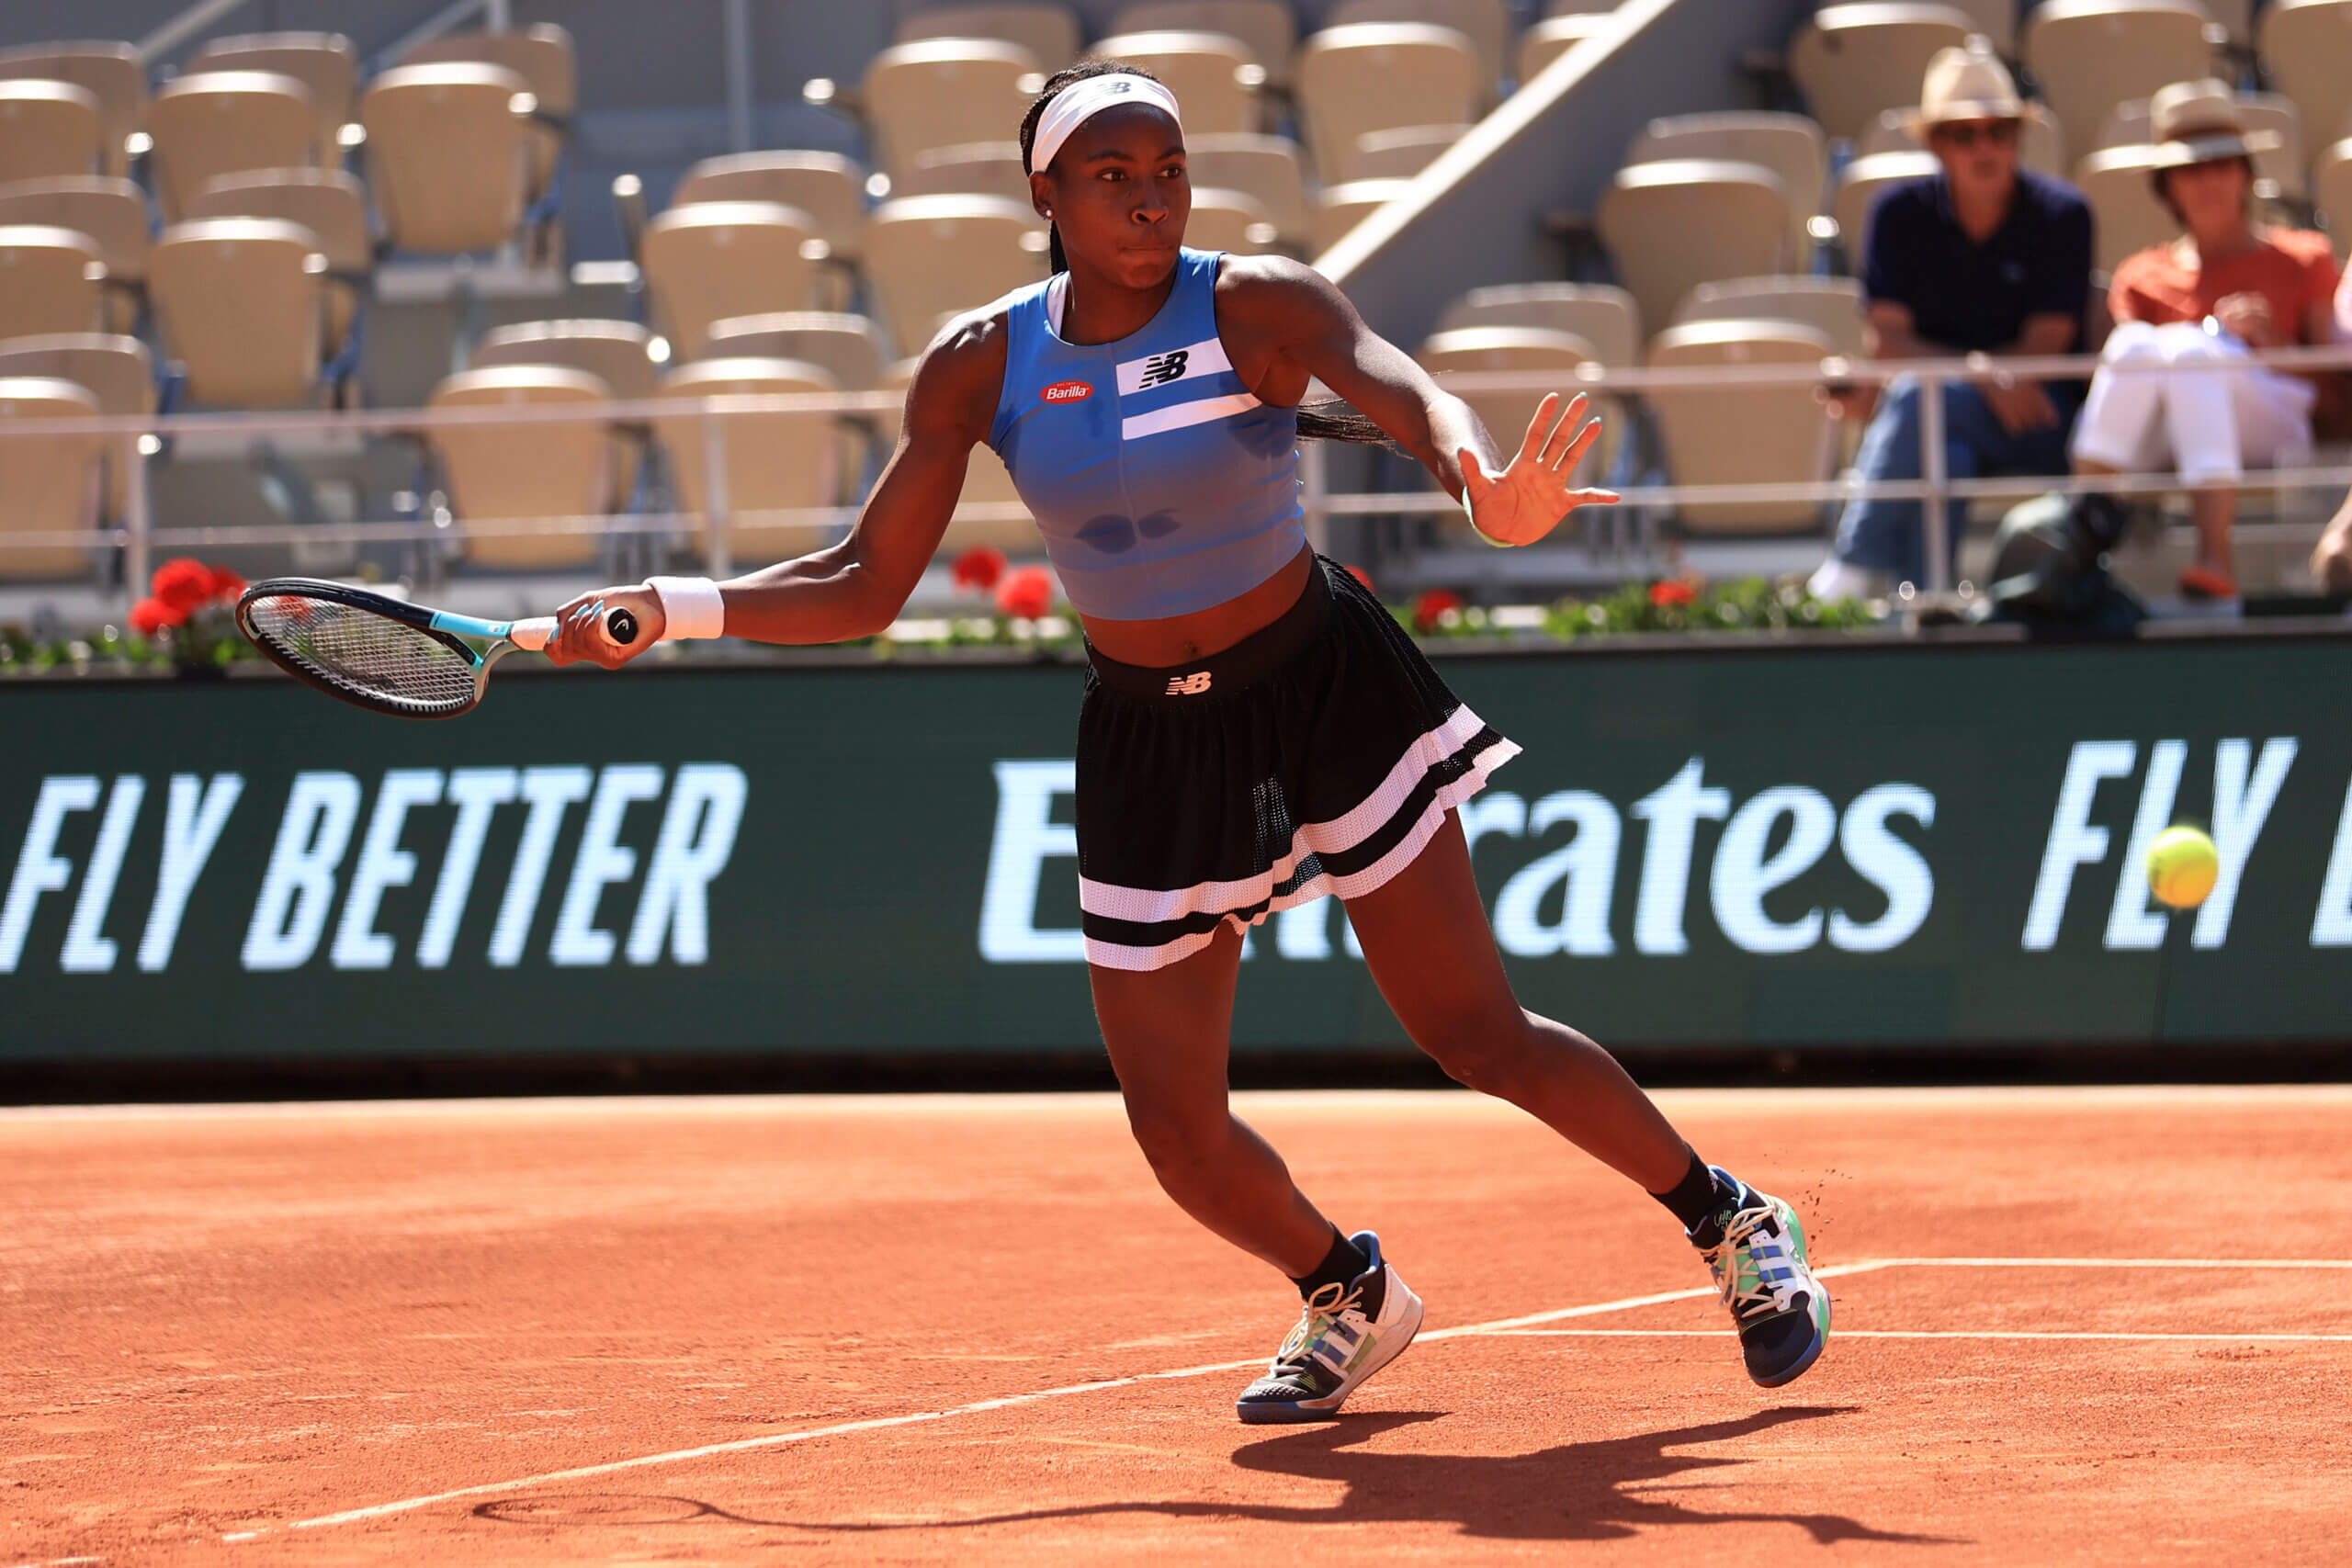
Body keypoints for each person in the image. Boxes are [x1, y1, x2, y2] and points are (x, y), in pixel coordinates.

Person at [547, 62, 1830, 1421]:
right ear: (1043, 193)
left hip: (1324, 685)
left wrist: (1477, 476)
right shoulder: (981, 364)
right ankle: (1349, 1288)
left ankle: (1732, 1218)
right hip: (1150, 739)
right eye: (1112, 175)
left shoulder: (1254, 305)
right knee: (1175, 1128)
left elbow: (1399, 387)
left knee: (1473, 1030)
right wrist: (670, 607)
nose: (1149, 198)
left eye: (1167, 169)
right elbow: (864, 584)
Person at [1809, 40, 2093, 600]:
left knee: (1919, 399)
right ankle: (1931, 602)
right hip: (1949, 423)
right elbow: (1888, 344)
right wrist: (1983, 374)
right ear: (1937, 143)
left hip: (2040, 420)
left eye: (1999, 130)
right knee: (1943, 441)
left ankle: (1852, 568)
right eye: (1965, 133)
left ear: (2019, 136)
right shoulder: (1896, 213)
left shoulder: (2064, 213)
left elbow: (2046, 350)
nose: (1984, 146)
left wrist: (1960, 376)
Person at [2070, 80, 2344, 601]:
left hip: (2278, 430)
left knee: (2190, 353)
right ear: (2167, 186)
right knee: (2135, 347)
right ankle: (2079, 535)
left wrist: (2275, 347)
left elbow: (2335, 407)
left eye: (2222, 163)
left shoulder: (2305, 257)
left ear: (2246, 173)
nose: (2208, 181)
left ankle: (2214, 559)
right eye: (2191, 169)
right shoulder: (2140, 275)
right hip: (2162, 436)